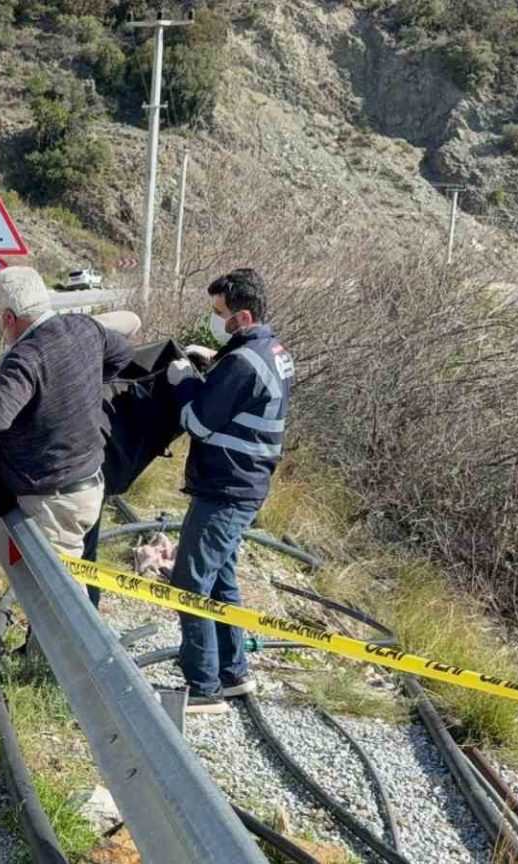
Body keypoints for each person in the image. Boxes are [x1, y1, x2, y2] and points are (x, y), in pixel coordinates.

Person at [164, 269, 293, 714]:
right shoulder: (269, 351)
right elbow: (240, 395)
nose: (215, 320)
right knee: (220, 578)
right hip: (245, 483)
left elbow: (198, 422)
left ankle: (204, 687)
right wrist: (213, 361)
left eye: (220, 313)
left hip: (226, 488)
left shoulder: (243, 363)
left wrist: (184, 382)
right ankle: (233, 672)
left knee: (189, 582)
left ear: (243, 316)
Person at [0, 266, 135, 557]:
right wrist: (85, 385)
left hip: (54, 502)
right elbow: (123, 353)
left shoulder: (26, 356)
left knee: (55, 584)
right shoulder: (83, 327)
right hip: (88, 481)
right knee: (72, 572)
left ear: (8, 318)